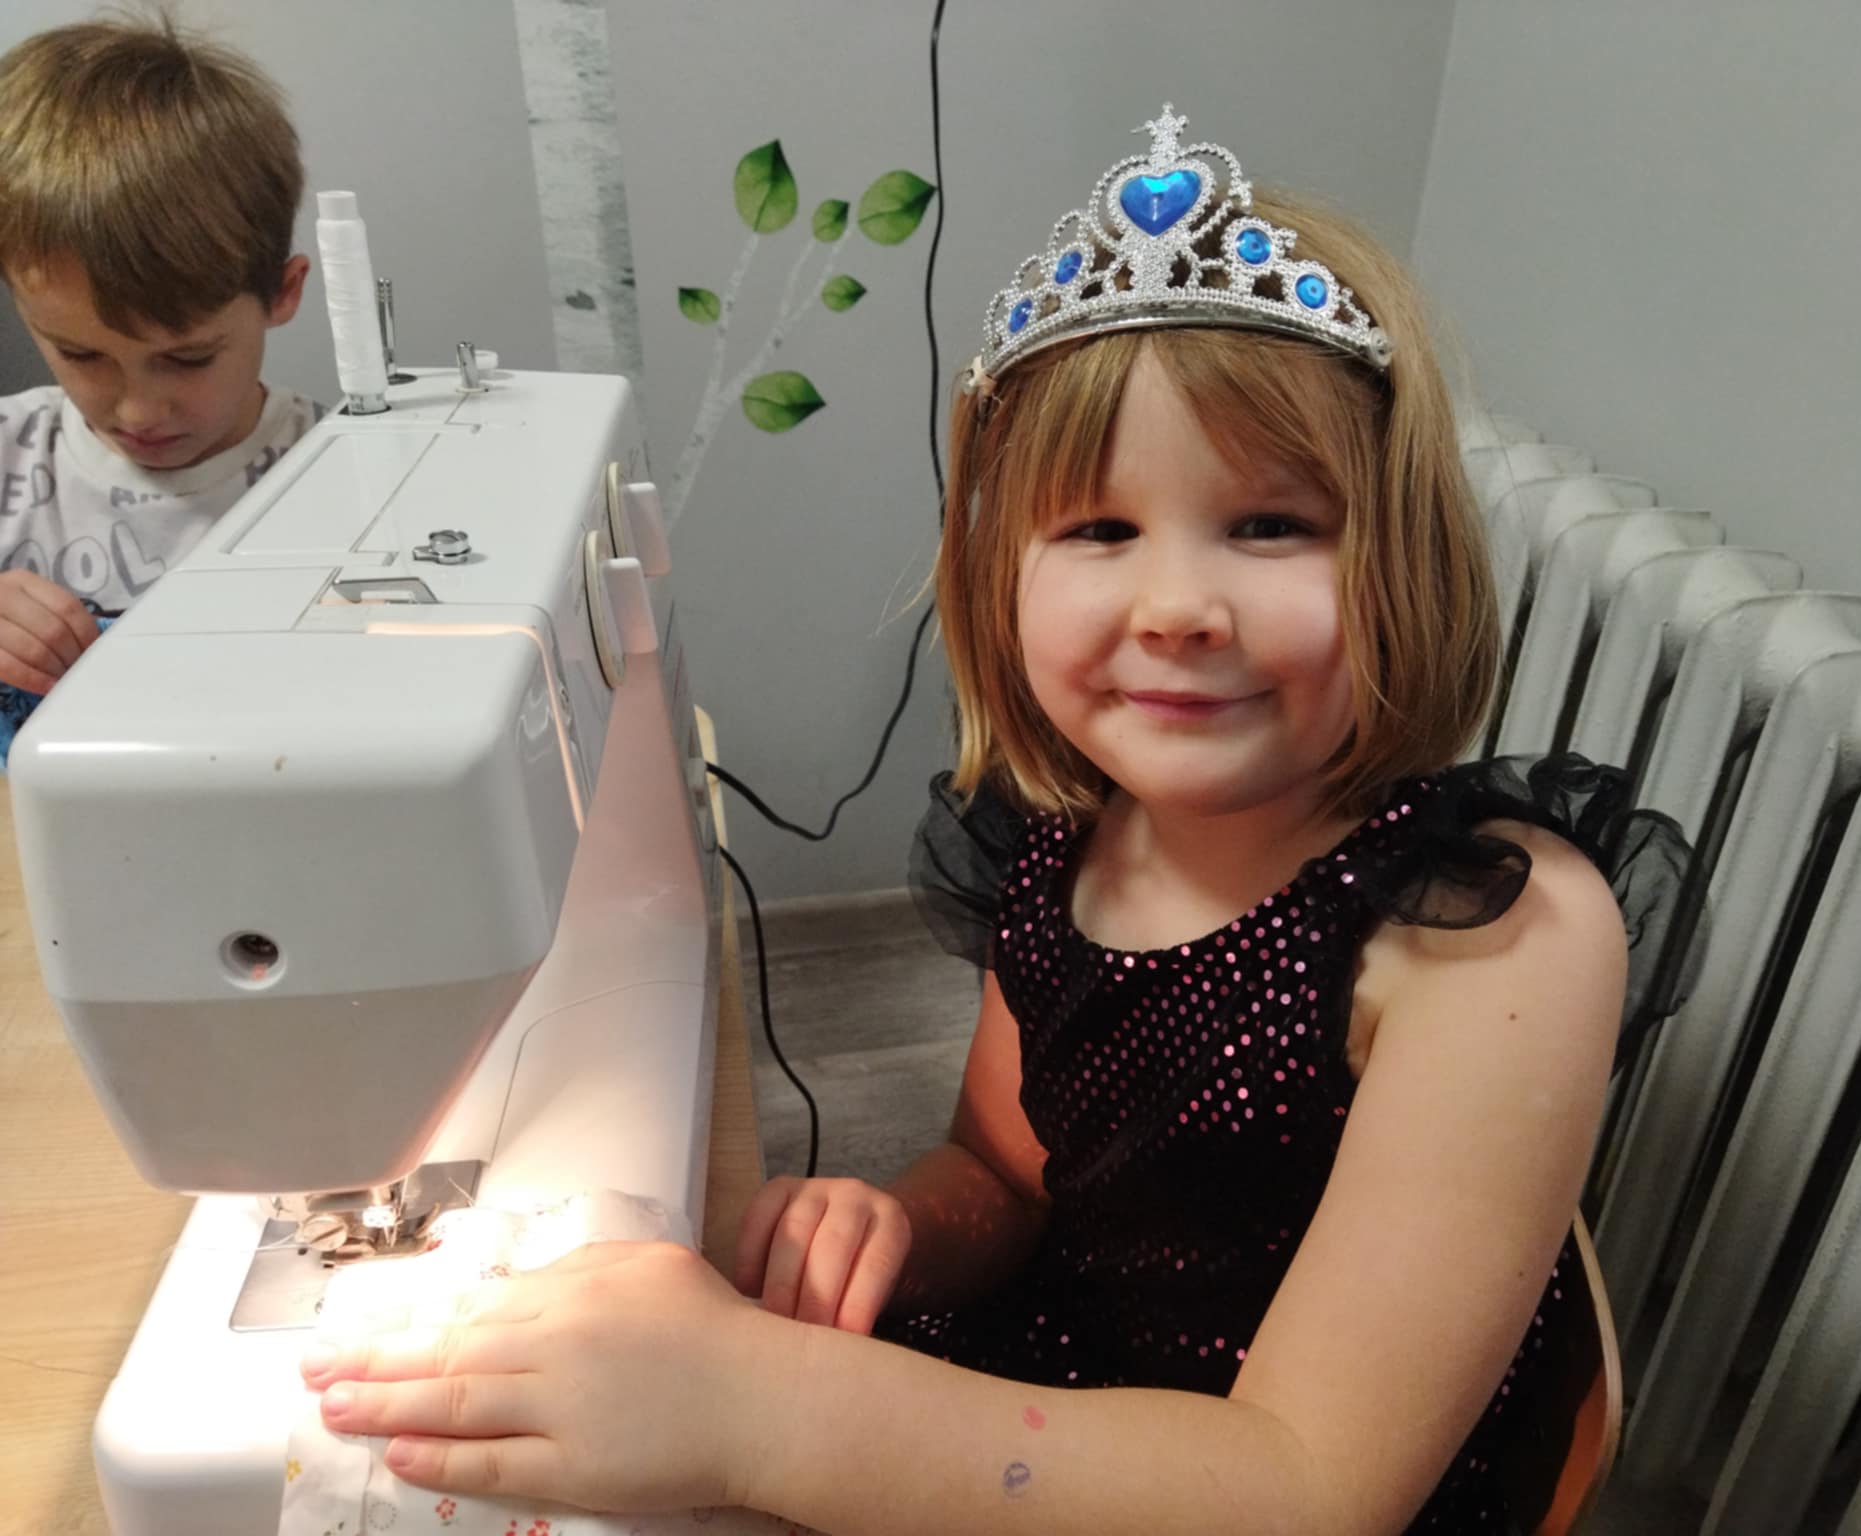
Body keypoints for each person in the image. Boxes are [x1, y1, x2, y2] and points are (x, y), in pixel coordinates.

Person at [300, 104, 1690, 1534]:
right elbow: (1003, 1178)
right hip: (1073, 1392)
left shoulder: (1488, 942)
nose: (1176, 607)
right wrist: (899, 1228)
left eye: (1271, 525)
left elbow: (1306, 1486)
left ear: (1404, 556)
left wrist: (757, 1408)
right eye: (1099, 530)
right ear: (999, 579)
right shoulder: (1065, 837)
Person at [0, 15, 322, 712]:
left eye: (188, 358)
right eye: (80, 353)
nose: (138, 411)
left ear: (282, 292)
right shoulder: (8, 454)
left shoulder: (342, 476)